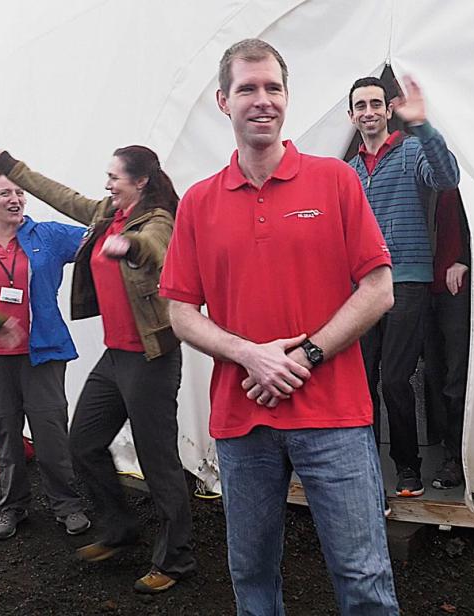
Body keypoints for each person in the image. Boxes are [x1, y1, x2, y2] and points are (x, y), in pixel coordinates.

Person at [160, 39, 399, 615]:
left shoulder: (334, 182)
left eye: (272, 88)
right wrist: (252, 355)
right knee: (253, 578)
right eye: (247, 88)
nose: (261, 100)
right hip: (243, 422)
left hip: (334, 416)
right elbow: (179, 311)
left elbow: (379, 289)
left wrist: (304, 356)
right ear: (224, 100)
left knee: (363, 577)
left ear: (287, 98)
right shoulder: (197, 202)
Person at [0, 145, 195, 594]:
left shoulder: (157, 218)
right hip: (116, 355)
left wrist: (131, 247)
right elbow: (62, 196)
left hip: (150, 358)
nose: (107, 183)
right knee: (83, 443)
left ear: (140, 181)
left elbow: (157, 248)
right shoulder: (107, 213)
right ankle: (120, 529)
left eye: (114, 177)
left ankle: (176, 559)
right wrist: (11, 167)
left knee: (158, 461)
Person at [0, 170, 90, 540]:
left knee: (51, 433)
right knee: (5, 436)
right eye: (5, 192)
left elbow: (97, 242)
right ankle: (12, 506)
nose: (15, 199)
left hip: (42, 353)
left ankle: (67, 505)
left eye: (20, 192)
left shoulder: (48, 236)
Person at [348, 76, 460, 498]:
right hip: (362, 289)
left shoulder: (412, 150)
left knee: (395, 380)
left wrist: (424, 126)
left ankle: (407, 469)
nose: (369, 111)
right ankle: (363, 469)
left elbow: (447, 178)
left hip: (407, 283)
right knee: (361, 380)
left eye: (376, 103)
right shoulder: (350, 172)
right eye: (361, 105)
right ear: (351, 116)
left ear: (388, 109)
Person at [424, 189, 471, 489]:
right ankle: (446, 450)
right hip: (423, 283)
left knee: (456, 375)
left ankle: (456, 458)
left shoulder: (466, 178)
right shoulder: (418, 176)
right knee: (433, 373)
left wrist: (465, 260)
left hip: (456, 288)